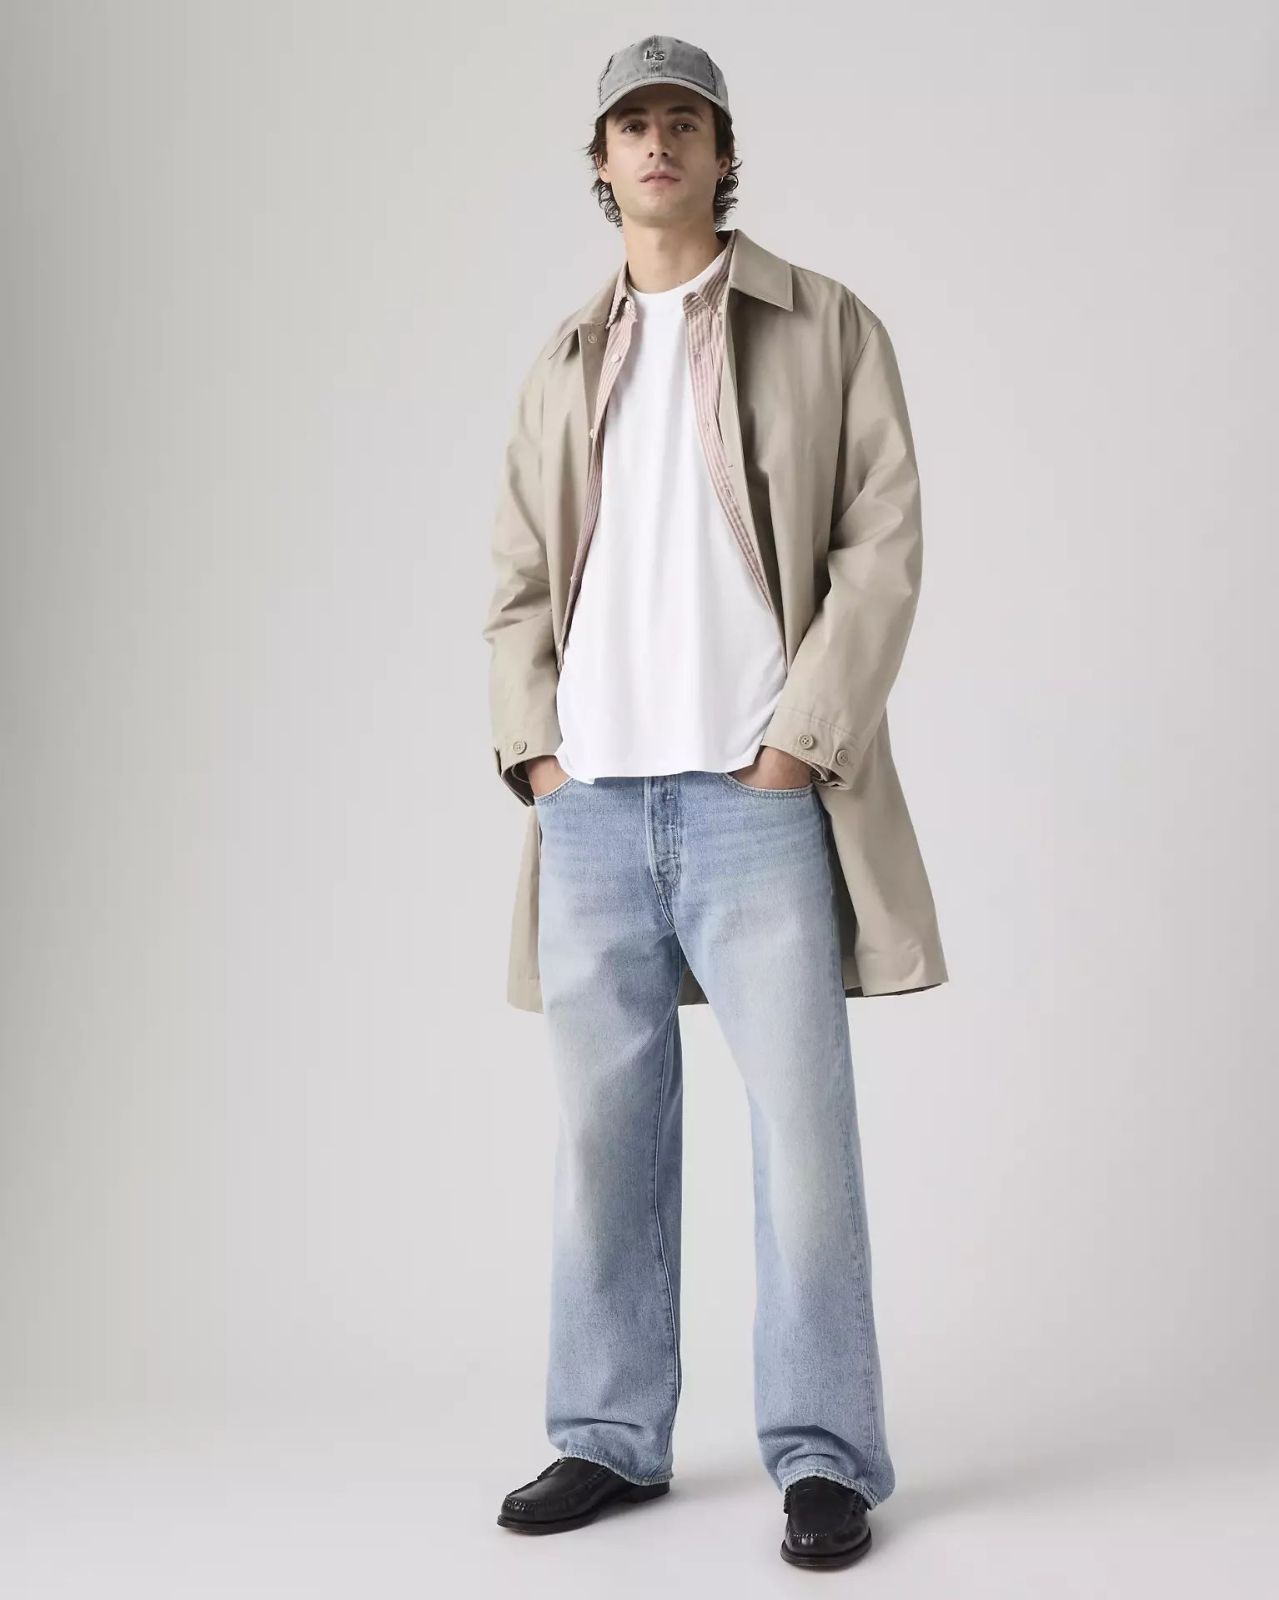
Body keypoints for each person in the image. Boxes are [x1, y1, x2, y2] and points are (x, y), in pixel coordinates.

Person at [481, 34, 948, 1571]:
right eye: (632, 122)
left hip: (758, 797)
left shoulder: (825, 324)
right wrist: (541, 761)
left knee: (804, 1148)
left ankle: (825, 1457)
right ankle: (607, 1437)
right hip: (593, 810)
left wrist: (800, 746)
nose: (658, 141)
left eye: (684, 119)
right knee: (602, 1150)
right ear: (601, 161)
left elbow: (882, 544)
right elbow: (517, 583)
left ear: (723, 152)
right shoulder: (564, 361)